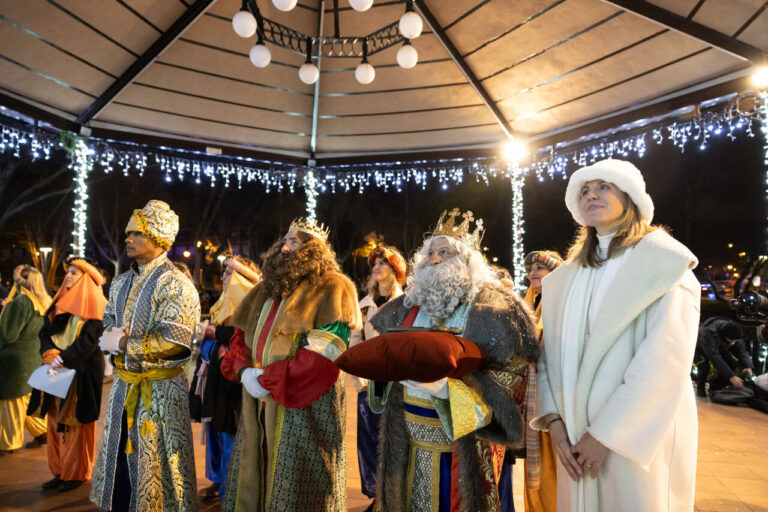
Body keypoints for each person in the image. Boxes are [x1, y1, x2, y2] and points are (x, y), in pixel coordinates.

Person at [532, 159, 700, 511]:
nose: (592, 194)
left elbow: (665, 362)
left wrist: (606, 435)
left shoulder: (666, 265)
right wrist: (556, 424)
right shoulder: (565, 279)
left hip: (633, 441)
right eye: (584, 191)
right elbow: (548, 354)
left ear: (631, 197)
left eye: (603, 187)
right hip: (574, 439)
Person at [369, 208, 538, 512]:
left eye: (444, 252)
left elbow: (511, 375)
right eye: (430, 252)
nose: (433, 259)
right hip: (407, 439)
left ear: (466, 260)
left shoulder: (495, 310)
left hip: (458, 448)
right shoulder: (408, 305)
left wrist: (451, 392)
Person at [219, 218, 361, 512]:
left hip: (304, 407)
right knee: (255, 469)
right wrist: (245, 371)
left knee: (298, 484)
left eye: (294, 242)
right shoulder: (263, 290)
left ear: (314, 251)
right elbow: (240, 337)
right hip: (257, 403)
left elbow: (325, 352)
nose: (284, 247)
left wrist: (268, 378)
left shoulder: (333, 288)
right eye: (284, 241)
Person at [89, 200, 201, 512]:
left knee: (158, 465)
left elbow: (174, 342)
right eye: (127, 233)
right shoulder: (122, 281)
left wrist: (124, 342)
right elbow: (110, 320)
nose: (127, 238)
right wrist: (112, 337)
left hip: (160, 393)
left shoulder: (176, 283)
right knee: (120, 463)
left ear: (159, 237)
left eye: (136, 233)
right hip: (124, 387)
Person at [28, 258, 107, 491]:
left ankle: (76, 473)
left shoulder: (98, 306)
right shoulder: (60, 303)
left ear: (86, 278)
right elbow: (45, 333)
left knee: (77, 424)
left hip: (82, 372)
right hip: (56, 369)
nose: (68, 276)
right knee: (54, 420)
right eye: (68, 272)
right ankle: (60, 471)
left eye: (74, 273)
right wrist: (49, 352)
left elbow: (88, 342)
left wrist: (63, 358)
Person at [189, 255, 260, 501]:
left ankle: (234, 484)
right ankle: (219, 479)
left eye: (229, 274)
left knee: (231, 430)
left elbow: (245, 337)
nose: (223, 278)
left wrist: (214, 332)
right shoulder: (223, 304)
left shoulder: (250, 308)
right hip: (215, 379)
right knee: (215, 430)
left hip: (235, 382)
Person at [348, 244, 407, 511]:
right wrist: (360, 379)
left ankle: (394, 497)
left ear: (395, 270)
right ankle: (377, 497)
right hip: (371, 384)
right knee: (370, 439)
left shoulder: (406, 304)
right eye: (375, 264)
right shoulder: (363, 306)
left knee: (396, 441)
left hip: (399, 383)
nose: (376, 267)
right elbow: (355, 343)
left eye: (383, 263)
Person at [517, 250, 562, 512]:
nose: (533, 272)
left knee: (553, 468)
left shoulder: (561, 306)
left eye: (540, 268)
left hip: (555, 402)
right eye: (531, 268)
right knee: (535, 469)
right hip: (532, 400)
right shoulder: (530, 306)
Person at [0, 266, 50, 454]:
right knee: (28, 398)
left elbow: (9, 334)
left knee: (11, 401)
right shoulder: (43, 301)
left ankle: (8, 442)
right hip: (32, 357)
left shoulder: (20, 302)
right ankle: (41, 431)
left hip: (13, 360)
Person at [694, 318, 753, 396]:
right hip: (699, 349)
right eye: (731, 340)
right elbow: (714, 357)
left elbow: (742, 350)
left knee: (732, 363)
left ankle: (716, 388)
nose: (733, 342)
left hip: (718, 346)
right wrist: (731, 376)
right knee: (704, 367)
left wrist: (747, 366)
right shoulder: (708, 333)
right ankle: (700, 389)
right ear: (724, 335)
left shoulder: (734, 331)